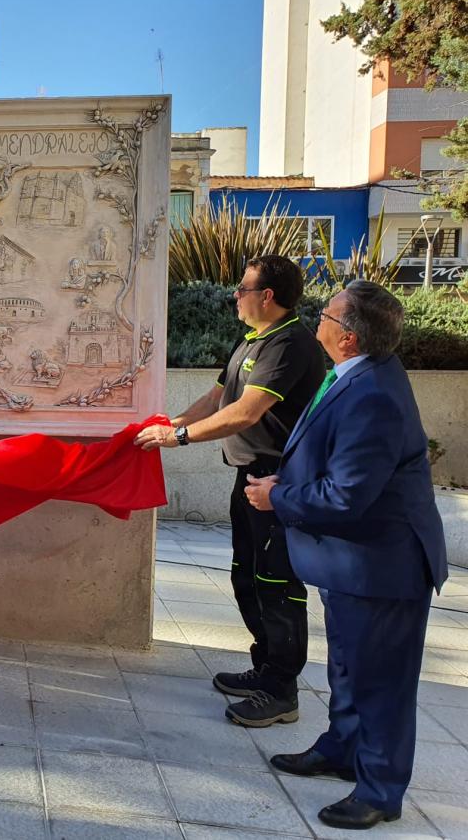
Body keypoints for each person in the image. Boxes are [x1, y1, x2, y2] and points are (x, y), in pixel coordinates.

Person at [246, 280, 447, 831]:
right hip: (354, 563)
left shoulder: (375, 393)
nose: (319, 320)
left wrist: (277, 496)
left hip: (383, 567)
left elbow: (347, 494)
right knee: (349, 668)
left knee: (381, 680)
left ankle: (380, 790)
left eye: (327, 315)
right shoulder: (358, 374)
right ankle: (341, 749)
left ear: (349, 337)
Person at [135, 255, 325, 727]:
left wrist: (178, 440)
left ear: (268, 296)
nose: (234, 296)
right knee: (247, 575)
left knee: (277, 584)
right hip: (248, 475)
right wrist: (171, 423)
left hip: (280, 479)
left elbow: (247, 412)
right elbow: (220, 398)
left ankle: (282, 690)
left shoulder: (290, 344)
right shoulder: (253, 339)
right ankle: (265, 668)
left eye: (242, 289)